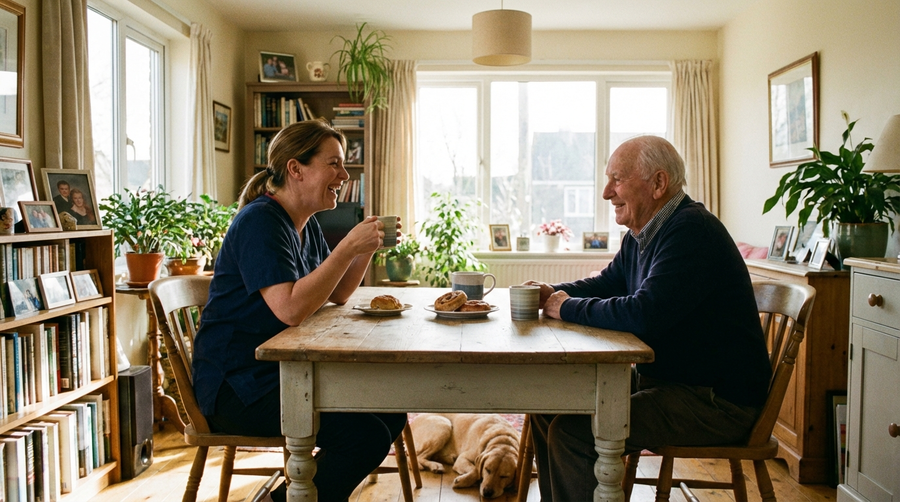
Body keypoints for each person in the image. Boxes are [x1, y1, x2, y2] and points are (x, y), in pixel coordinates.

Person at [524, 135, 771, 501]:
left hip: (716, 402)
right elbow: (606, 284)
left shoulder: (691, 231)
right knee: (548, 408)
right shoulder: (643, 233)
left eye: (617, 179)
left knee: (572, 433)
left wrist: (564, 306)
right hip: (671, 384)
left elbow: (644, 314)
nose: (607, 192)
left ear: (658, 183)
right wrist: (551, 293)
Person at [191, 120, 406, 502]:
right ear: (296, 169)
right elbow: (290, 309)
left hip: (280, 372)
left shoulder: (304, 224)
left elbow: (338, 293)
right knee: (365, 436)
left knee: (390, 411)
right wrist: (346, 247)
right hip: (238, 387)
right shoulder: (261, 221)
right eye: (334, 163)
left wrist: (363, 249)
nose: (344, 175)